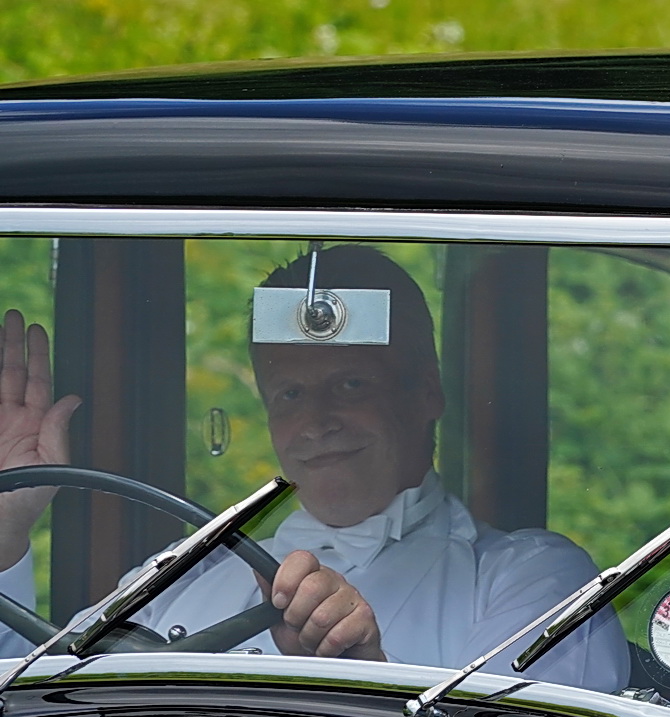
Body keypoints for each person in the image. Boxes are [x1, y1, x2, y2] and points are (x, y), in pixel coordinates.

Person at [0, 245, 628, 690]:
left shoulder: (531, 578)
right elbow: (33, 710)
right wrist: (4, 533)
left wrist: (366, 670)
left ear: (426, 393)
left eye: (351, 384)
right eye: (290, 395)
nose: (316, 422)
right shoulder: (187, 573)